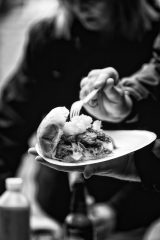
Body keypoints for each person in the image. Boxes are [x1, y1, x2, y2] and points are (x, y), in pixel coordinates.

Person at [1, 0, 160, 238]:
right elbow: (10, 121)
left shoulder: (153, 35)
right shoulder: (49, 37)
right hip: (57, 207)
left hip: (133, 206)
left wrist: (117, 212)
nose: (81, 7)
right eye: (71, 0)